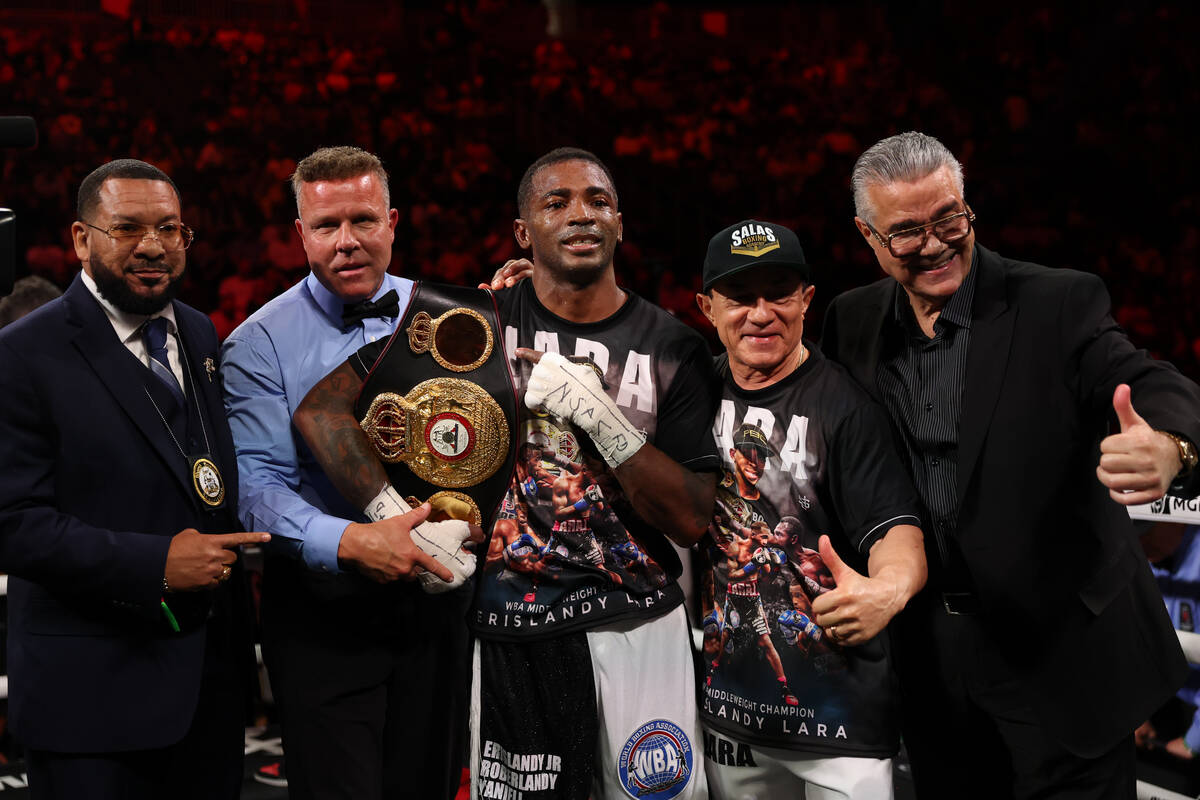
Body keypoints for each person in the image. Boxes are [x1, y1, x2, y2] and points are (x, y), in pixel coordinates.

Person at [293, 147, 720, 799]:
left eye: (598, 201)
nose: (581, 214)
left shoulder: (673, 346)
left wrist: (604, 419)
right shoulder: (470, 324)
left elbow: (692, 519)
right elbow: (323, 411)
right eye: (557, 202)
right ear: (523, 232)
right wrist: (395, 521)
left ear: (620, 222)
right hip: (509, 623)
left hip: (635, 622)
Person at [821, 131, 1200, 798]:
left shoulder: (1057, 302)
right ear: (869, 237)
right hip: (931, 665)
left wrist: (1170, 446)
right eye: (908, 231)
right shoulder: (851, 321)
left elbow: (1148, 379)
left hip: (1061, 661)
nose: (935, 244)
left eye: (949, 219)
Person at [0, 158, 268, 799]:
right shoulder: (22, 353)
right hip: (91, 698)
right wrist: (156, 564)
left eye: (170, 229)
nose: (152, 246)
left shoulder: (198, 331)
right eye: (127, 228)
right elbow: (11, 524)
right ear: (80, 238)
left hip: (206, 687)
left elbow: (197, 474)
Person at [220, 145, 469, 800]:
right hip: (324, 616)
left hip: (438, 607)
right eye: (327, 226)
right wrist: (351, 542)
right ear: (300, 234)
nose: (347, 241)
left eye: (362, 220)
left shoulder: (448, 316)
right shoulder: (259, 342)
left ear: (393, 221)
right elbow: (256, 487)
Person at [694, 219, 926, 799]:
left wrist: (888, 590)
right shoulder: (692, 392)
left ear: (806, 301)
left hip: (840, 718)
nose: (761, 312)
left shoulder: (846, 408)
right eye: (741, 297)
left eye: (779, 293)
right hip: (730, 714)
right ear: (707, 307)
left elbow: (897, 529)